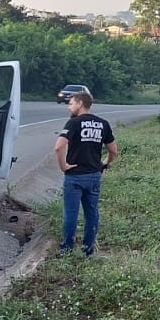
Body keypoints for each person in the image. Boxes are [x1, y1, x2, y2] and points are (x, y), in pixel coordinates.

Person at [53, 91, 118, 256]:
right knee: (92, 213)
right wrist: (105, 164)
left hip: (74, 176)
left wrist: (63, 166)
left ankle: (67, 249)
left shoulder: (73, 123)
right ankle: (88, 250)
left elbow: (59, 147)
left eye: (71, 103)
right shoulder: (103, 123)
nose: (69, 106)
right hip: (94, 175)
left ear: (80, 103)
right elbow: (113, 151)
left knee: (71, 214)